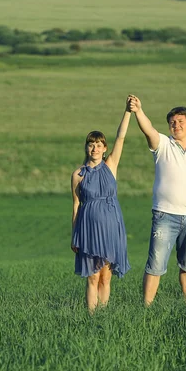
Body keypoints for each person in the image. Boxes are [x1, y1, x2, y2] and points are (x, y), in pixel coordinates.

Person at [128, 95, 186, 306]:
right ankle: (146, 306)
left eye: (180, 121)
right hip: (164, 215)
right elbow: (148, 129)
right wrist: (139, 111)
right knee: (155, 264)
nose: (176, 125)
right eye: (172, 122)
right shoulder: (162, 144)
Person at [71, 98, 132, 313]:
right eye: (91, 144)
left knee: (106, 276)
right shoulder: (78, 175)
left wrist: (127, 112)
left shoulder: (111, 165)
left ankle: (103, 315)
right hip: (87, 227)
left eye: (98, 145)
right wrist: (74, 235)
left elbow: (121, 136)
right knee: (92, 276)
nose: (94, 148)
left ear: (104, 148)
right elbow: (76, 205)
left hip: (111, 226)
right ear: (86, 148)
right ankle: (90, 316)